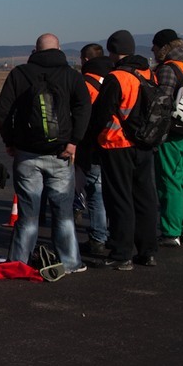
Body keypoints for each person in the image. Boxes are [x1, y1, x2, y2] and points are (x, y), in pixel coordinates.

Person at [0, 33, 90, 273]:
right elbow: (84, 108)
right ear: (59, 49)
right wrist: (74, 141)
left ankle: (19, 261)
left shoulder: (20, 74)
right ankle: (70, 261)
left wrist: (10, 141)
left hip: (26, 154)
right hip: (61, 153)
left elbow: (3, 110)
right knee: (63, 213)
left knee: (27, 213)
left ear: (35, 50)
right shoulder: (71, 75)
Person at [85, 30, 159, 270]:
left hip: (117, 143)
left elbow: (101, 113)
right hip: (145, 144)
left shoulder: (117, 77)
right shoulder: (148, 74)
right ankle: (147, 251)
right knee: (145, 197)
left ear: (113, 51)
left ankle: (121, 253)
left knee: (119, 199)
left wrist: (93, 139)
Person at [150, 29, 183, 247]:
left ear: (163, 47)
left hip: (172, 132)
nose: (152, 50)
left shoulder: (168, 69)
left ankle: (171, 232)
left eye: (154, 46)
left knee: (168, 180)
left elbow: (161, 101)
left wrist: (152, 132)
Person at [77, 43, 114, 258]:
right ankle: (114, 233)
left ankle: (99, 236)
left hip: (93, 145)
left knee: (96, 194)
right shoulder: (114, 78)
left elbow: (81, 115)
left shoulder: (85, 83)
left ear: (85, 60)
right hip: (116, 143)